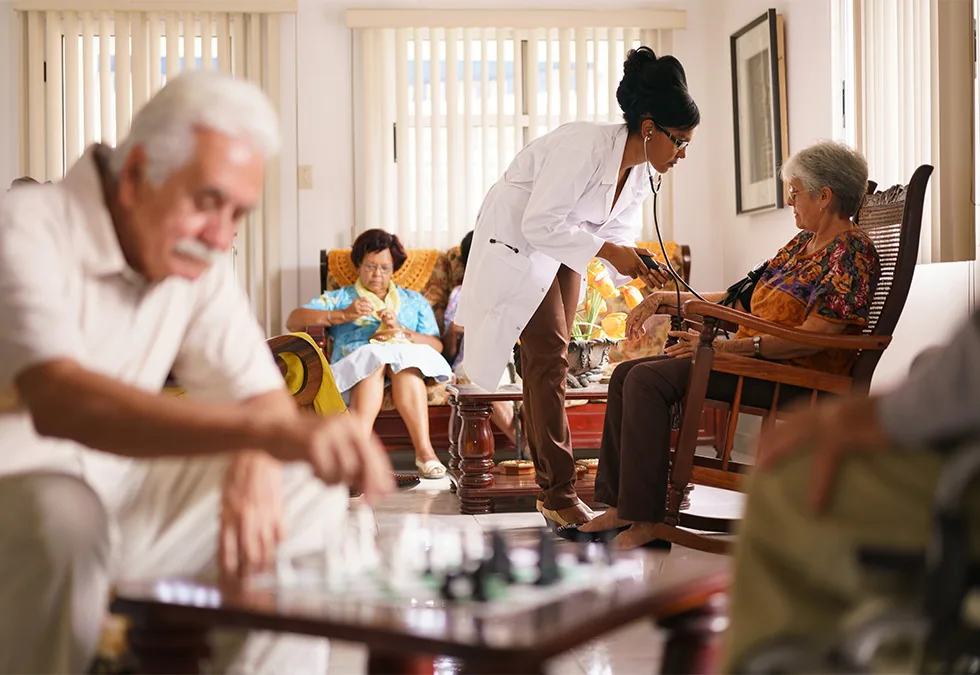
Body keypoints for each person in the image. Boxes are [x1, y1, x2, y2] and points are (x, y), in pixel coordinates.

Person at [0, 70, 393, 674]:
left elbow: (257, 396)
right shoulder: (25, 225)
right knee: (63, 514)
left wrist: (258, 452)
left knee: (303, 485)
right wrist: (255, 435)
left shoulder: (194, 256)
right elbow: (62, 400)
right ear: (135, 176)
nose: (220, 237)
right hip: (23, 494)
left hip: (122, 496)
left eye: (239, 213)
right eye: (209, 202)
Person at [577, 140, 881, 548]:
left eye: (795, 193)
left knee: (646, 381)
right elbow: (738, 299)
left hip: (793, 375)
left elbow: (816, 336)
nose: (790, 201)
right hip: (754, 361)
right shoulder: (801, 244)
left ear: (824, 196)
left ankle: (646, 522)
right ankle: (622, 508)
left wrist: (726, 350)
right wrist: (668, 299)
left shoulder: (851, 251)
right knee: (629, 373)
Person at [455, 46, 693, 529]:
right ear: (649, 128)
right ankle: (557, 491)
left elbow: (618, 236)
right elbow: (540, 221)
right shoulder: (584, 145)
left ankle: (555, 487)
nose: (683, 153)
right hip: (522, 240)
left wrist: (640, 267)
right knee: (546, 358)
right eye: (680, 141)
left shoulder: (640, 170)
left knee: (554, 359)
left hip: (562, 248)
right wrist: (609, 253)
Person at [723, 308, 980, 671]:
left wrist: (883, 414)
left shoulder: (849, 255)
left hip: (797, 364)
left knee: (785, 479)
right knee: (642, 374)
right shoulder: (799, 250)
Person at [287, 229, 452, 479]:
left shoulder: (413, 301)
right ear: (358, 266)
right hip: (359, 369)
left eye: (384, 268)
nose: (377, 274)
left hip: (403, 367)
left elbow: (436, 346)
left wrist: (403, 332)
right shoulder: (341, 298)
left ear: (394, 268)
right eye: (370, 266)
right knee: (374, 362)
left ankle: (425, 453)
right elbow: (293, 320)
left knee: (403, 365)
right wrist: (344, 315)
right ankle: (357, 456)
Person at [443, 230, 518, 444]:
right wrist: (453, 330)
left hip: (514, 360)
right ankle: (529, 447)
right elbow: (448, 351)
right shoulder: (460, 293)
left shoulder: (516, 289)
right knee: (481, 377)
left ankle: (532, 448)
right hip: (473, 360)